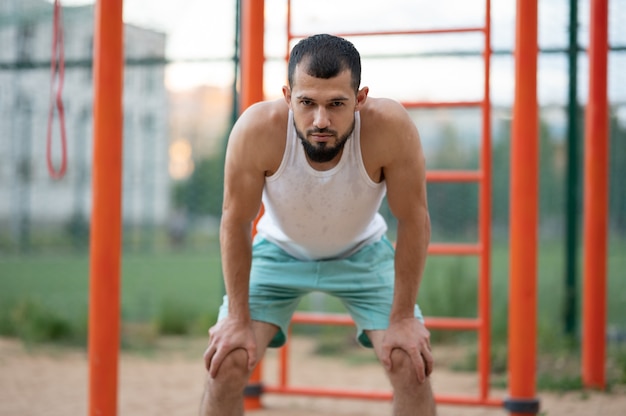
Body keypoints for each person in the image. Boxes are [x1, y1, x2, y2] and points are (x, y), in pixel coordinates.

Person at [201, 33, 434, 416]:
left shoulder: (389, 127)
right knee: (227, 360)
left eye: (337, 104)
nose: (321, 120)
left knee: (410, 363)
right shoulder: (257, 129)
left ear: (360, 99)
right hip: (278, 252)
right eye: (307, 102)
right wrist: (237, 321)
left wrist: (404, 318)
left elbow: (413, 220)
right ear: (287, 94)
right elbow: (235, 221)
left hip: (363, 253)